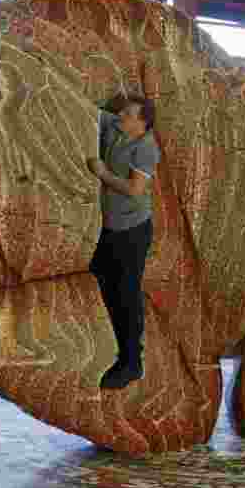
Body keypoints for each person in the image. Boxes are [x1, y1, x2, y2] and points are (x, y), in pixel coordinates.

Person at [86, 94, 161, 390]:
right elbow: (88, 110)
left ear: (142, 123)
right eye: (123, 113)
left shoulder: (146, 148)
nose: (122, 117)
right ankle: (120, 351)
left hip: (132, 230)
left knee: (127, 294)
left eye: (129, 115)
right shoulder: (115, 127)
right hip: (110, 228)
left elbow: (134, 189)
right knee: (105, 281)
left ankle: (132, 362)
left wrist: (103, 174)